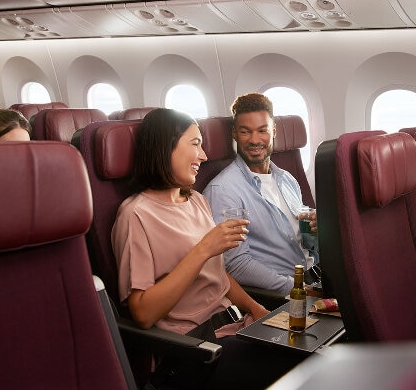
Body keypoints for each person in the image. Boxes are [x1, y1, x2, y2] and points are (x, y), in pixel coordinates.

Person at [111, 108, 304, 389]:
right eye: (195, 144)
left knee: (311, 344)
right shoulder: (135, 215)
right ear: (166, 149)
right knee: (297, 363)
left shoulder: (197, 201)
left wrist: (256, 308)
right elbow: (143, 313)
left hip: (234, 324)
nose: (203, 156)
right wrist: (203, 250)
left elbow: (218, 276)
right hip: (193, 347)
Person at [203, 93, 318, 295]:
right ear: (234, 134)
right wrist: (300, 289)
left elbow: (305, 243)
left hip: (314, 276)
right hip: (283, 293)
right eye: (245, 132)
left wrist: (318, 233)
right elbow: (237, 265)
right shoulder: (224, 191)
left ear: (273, 131)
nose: (255, 140)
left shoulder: (288, 179)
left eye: (262, 130)